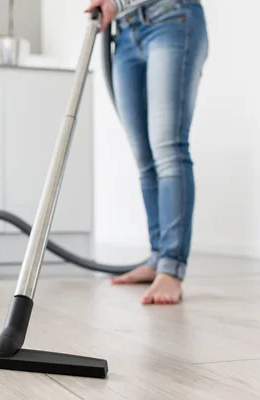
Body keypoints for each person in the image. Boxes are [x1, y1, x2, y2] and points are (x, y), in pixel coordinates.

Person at [85, 0, 209, 304]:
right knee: (145, 159)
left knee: (168, 149)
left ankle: (171, 266)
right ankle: (157, 258)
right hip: (125, 33)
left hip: (171, 17)